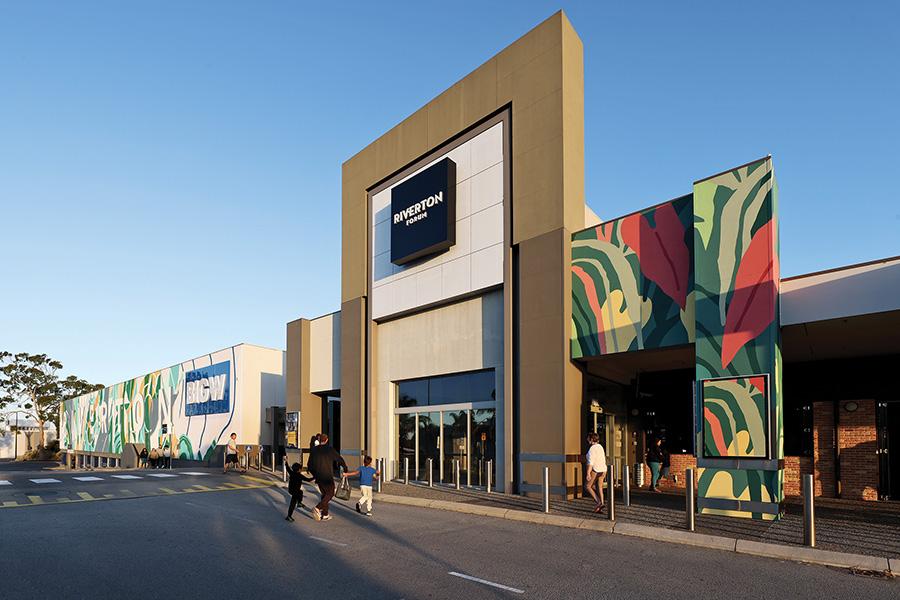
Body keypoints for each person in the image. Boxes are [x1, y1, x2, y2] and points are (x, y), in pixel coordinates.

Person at [306, 433, 347, 522]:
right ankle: (317, 508)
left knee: (324, 494)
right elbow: (339, 459)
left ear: (319, 440)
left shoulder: (314, 450)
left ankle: (325, 514)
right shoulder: (329, 449)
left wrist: (314, 474)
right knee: (330, 493)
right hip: (327, 476)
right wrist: (345, 468)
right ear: (327, 440)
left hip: (318, 476)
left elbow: (309, 464)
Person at [585, 432, 607, 513]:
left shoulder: (592, 449)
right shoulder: (600, 447)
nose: (587, 439)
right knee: (599, 487)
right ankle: (602, 503)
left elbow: (591, 462)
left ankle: (599, 502)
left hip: (596, 470)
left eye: (588, 438)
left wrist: (588, 473)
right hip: (603, 470)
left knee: (588, 486)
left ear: (591, 439)